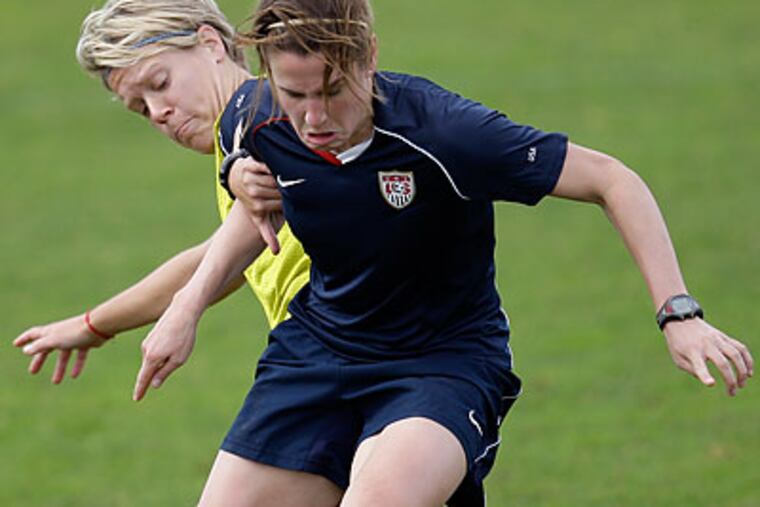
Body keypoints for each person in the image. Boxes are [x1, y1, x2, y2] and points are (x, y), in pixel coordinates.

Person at [131, 0, 754, 506]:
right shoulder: (255, 116)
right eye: (294, 96)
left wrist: (679, 313)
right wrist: (187, 306)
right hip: (316, 355)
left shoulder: (444, 132)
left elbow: (612, 179)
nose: (313, 117)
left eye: (332, 91)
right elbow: (258, 204)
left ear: (369, 56)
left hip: (440, 365)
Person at [13, 0, 308, 384]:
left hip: (356, 349)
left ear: (210, 43)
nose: (157, 112)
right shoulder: (237, 142)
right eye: (140, 107)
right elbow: (217, 258)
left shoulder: (264, 116)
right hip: (325, 353)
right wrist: (96, 324)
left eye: (160, 83)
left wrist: (187, 308)